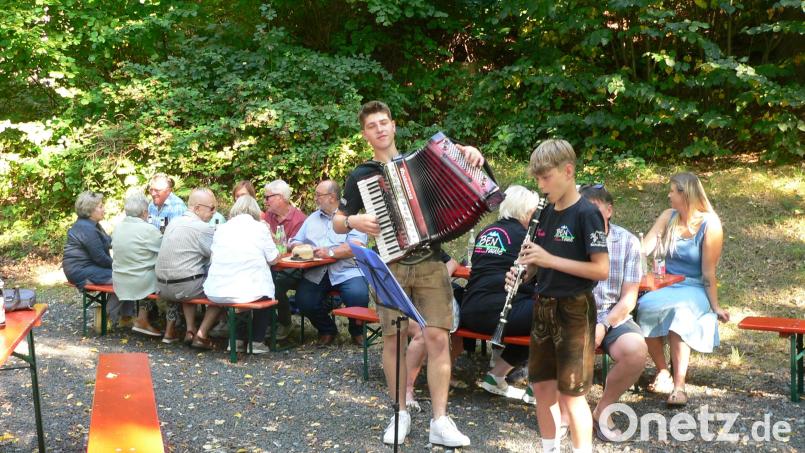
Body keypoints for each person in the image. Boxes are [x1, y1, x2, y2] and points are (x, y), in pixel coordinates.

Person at [333, 100, 483, 447]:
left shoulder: (424, 162)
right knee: (393, 338)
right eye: (372, 126)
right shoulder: (361, 176)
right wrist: (354, 221)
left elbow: (468, 168)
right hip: (391, 265)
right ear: (365, 134)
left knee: (437, 338)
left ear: (394, 125)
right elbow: (339, 221)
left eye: (384, 123)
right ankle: (399, 411)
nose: (380, 129)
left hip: (431, 260)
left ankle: (440, 420)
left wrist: (472, 154)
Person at [510, 139, 609, 453]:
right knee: (541, 386)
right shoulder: (546, 212)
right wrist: (522, 274)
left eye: (546, 178)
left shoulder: (586, 214)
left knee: (572, 393)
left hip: (574, 310)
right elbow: (537, 267)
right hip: (544, 306)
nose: (541, 185)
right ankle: (550, 447)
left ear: (568, 171)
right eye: (537, 179)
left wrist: (547, 259)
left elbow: (601, 270)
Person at [637, 172, 729, 407]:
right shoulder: (668, 217)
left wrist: (715, 306)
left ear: (685, 194)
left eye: (672, 191)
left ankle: (679, 386)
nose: (668, 195)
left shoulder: (710, 224)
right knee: (643, 307)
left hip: (695, 287)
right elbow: (643, 248)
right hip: (667, 283)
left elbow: (709, 272)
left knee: (681, 314)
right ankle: (662, 370)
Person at [572, 183, 648, 441]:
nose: (589, 216)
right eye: (584, 210)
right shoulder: (571, 240)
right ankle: (568, 411)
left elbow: (629, 298)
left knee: (636, 351)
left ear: (609, 210)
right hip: (576, 312)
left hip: (613, 315)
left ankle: (603, 409)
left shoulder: (627, 241)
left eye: (595, 209)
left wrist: (603, 324)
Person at [454, 185, 540, 400]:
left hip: (470, 311)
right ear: (528, 212)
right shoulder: (527, 239)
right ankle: (537, 386)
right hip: (502, 316)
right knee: (549, 313)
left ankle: (496, 377)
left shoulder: (486, 232)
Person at [289, 180, 370, 346]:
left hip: (347, 270)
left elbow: (355, 247)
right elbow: (295, 241)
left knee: (358, 295)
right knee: (304, 300)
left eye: (319, 195)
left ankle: (356, 331)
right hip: (317, 270)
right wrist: (301, 247)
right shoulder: (312, 218)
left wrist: (330, 252)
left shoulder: (352, 218)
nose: (315, 198)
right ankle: (327, 329)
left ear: (332, 197)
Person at [199, 195, 280, 353]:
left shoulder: (221, 228)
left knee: (240, 294)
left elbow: (214, 257)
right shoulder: (260, 228)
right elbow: (273, 259)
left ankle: (236, 340)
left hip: (217, 291)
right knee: (264, 294)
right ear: (256, 211)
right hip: (246, 292)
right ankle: (256, 342)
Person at [155, 188, 217, 344]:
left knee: (187, 277)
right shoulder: (203, 228)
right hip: (185, 287)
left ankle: (189, 330)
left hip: (162, 287)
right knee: (221, 291)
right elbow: (215, 255)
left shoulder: (173, 223)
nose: (214, 213)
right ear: (197, 208)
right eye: (211, 208)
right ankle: (202, 335)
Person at [404, 251, 459, 413]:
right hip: (397, 307)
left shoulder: (424, 243)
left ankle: (439, 376)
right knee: (423, 333)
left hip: (424, 306)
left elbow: (452, 262)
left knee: (453, 326)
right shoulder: (387, 242)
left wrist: (439, 281)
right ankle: (407, 391)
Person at [62, 191, 124, 322]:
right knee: (126, 279)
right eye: (100, 206)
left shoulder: (92, 224)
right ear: (90, 210)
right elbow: (100, 258)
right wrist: (121, 266)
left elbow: (109, 242)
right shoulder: (87, 229)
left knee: (127, 276)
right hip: (81, 271)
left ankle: (122, 316)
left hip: (87, 267)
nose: (104, 209)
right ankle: (105, 316)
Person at [111, 191, 164, 337]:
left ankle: (146, 318)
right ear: (145, 212)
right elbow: (165, 249)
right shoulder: (148, 230)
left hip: (119, 279)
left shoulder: (118, 227)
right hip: (140, 281)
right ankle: (144, 319)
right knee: (167, 278)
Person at [262, 179, 307, 341]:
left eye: (268, 197)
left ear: (280, 198)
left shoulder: (299, 220)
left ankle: (285, 322)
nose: (265, 201)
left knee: (275, 284)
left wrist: (272, 238)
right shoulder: (268, 216)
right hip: (272, 264)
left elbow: (294, 250)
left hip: (293, 268)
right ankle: (263, 323)